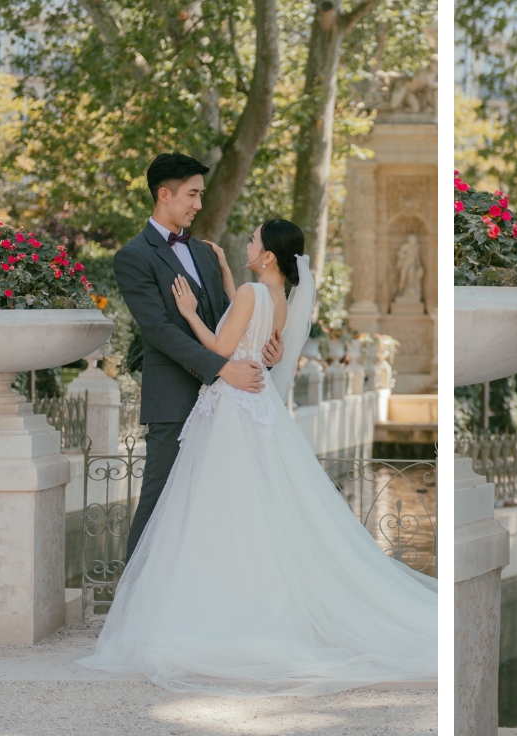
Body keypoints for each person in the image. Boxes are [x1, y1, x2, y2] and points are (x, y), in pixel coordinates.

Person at [79, 218, 437, 695]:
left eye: (252, 241)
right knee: (253, 509)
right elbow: (246, 319)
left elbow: (222, 345)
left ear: (267, 255)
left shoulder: (252, 294)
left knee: (213, 508)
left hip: (229, 407)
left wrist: (188, 312)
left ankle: (209, 610)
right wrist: (227, 273)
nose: (245, 244)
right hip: (258, 406)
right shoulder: (281, 302)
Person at [112, 153, 283, 558]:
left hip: (227, 405)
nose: (199, 205)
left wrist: (263, 354)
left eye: (202, 195)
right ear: (164, 194)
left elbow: (230, 321)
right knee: (160, 500)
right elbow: (159, 331)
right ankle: (132, 607)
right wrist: (224, 369)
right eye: (192, 194)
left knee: (221, 503)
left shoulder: (206, 253)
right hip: (173, 398)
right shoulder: (133, 256)